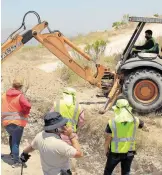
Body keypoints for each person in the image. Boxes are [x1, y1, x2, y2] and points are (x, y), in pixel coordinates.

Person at [104, 98, 144, 175]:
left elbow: (107, 138)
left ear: (117, 108)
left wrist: (106, 149)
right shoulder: (135, 120)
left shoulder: (112, 122)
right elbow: (142, 125)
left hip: (115, 153)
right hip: (129, 152)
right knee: (126, 172)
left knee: (108, 172)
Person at [1, 76, 31, 168]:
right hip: (17, 123)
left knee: (12, 137)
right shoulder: (20, 96)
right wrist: (24, 112)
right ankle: (16, 162)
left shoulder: (4, 95)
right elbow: (28, 105)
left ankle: (12, 154)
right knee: (15, 143)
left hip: (6, 123)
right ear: (21, 86)